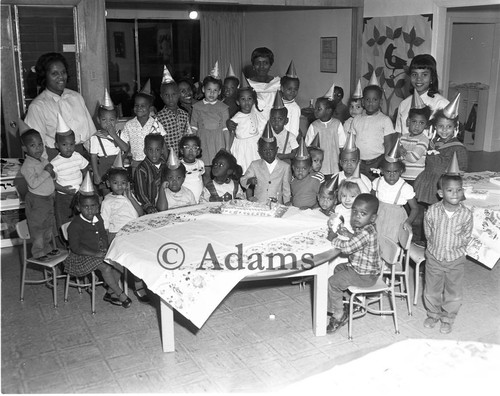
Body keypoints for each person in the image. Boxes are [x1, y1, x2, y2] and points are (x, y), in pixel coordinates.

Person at [423, 173, 472, 334]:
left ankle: (448, 318)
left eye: (458, 190)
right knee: (431, 289)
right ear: (441, 193)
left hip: (455, 259)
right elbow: (428, 231)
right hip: (434, 257)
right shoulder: (432, 210)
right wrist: (434, 247)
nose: (455, 194)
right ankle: (433, 314)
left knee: (454, 291)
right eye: (450, 190)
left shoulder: (466, 214)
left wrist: (456, 246)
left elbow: (466, 235)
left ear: (462, 191)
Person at [64, 191, 132, 308]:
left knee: (119, 263)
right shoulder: (75, 225)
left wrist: (106, 247)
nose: (90, 210)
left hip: (99, 251)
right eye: (86, 207)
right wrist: (96, 253)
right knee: (106, 268)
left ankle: (110, 292)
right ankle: (120, 294)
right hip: (82, 255)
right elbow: (75, 248)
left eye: (93, 206)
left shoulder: (98, 218)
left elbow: (103, 234)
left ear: (98, 206)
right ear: (78, 208)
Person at [326, 194, 382, 333]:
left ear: (373, 218)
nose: (357, 216)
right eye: (355, 211)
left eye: (363, 213)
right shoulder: (365, 228)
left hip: (365, 275)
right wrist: (348, 234)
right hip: (362, 270)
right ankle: (349, 301)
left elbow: (348, 248)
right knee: (339, 268)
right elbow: (358, 241)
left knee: (332, 282)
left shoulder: (365, 232)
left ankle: (338, 314)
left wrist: (333, 238)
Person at [25, 52, 97, 160]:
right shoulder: (38, 107)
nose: (61, 77)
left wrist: (95, 156)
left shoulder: (76, 97)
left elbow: (90, 133)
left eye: (63, 72)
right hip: (55, 159)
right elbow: (36, 146)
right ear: (44, 76)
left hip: (82, 157)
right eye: (54, 73)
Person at [414, 108, 468, 207]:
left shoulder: (458, 147)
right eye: (441, 126)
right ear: (435, 127)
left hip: (444, 183)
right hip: (427, 181)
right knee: (429, 207)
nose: (444, 130)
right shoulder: (433, 142)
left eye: (449, 126)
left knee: (442, 207)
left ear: (455, 128)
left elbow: (462, 169)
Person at [20, 129, 57, 259]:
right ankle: (38, 252)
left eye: (40, 144)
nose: (38, 148)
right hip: (36, 201)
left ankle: (46, 249)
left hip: (48, 199)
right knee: (38, 228)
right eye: (32, 145)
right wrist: (47, 172)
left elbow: (52, 174)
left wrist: (52, 174)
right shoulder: (27, 166)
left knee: (48, 225)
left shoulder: (42, 159)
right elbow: (34, 183)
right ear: (24, 148)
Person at [395, 54, 449, 136]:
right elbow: (398, 134)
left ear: (432, 78)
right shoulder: (404, 104)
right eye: (414, 74)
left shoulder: (442, 104)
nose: (418, 79)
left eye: (424, 74)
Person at [50, 117, 89, 230]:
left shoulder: (77, 156)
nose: (69, 148)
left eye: (71, 144)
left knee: (80, 219)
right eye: (64, 145)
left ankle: (79, 240)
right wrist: (64, 190)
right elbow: (51, 182)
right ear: (57, 145)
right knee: (65, 220)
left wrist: (84, 186)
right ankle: (66, 243)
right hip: (63, 196)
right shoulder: (55, 163)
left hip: (79, 194)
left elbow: (85, 170)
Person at [352, 85, 395, 180]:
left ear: (380, 102)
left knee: (375, 187)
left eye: (375, 99)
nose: (371, 102)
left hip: (377, 161)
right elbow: (352, 141)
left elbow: (388, 143)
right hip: (359, 161)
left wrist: (386, 161)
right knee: (360, 186)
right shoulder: (356, 119)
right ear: (362, 102)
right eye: (367, 99)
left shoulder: (385, 120)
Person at [372, 157, 418, 244]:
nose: (392, 175)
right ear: (382, 171)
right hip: (378, 217)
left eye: (395, 171)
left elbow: (415, 208)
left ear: (401, 171)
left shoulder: (405, 187)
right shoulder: (377, 182)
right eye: (388, 171)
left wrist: (408, 222)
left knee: (390, 244)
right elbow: (371, 200)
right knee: (375, 240)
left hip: (395, 220)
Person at [191, 73, 230, 174]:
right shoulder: (197, 107)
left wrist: (227, 147)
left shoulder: (223, 107)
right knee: (204, 168)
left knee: (219, 167)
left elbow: (226, 129)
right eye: (209, 89)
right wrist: (193, 146)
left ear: (220, 91)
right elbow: (193, 127)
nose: (212, 93)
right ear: (203, 89)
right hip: (202, 139)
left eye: (215, 90)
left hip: (218, 140)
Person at [89, 97, 128, 195]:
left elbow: (126, 149)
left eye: (111, 120)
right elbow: (93, 157)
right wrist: (96, 175)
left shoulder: (120, 134)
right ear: (98, 120)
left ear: (117, 120)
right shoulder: (95, 138)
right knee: (107, 194)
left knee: (121, 193)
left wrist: (113, 135)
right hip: (104, 168)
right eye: (104, 120)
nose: (108, 123)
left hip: (119, 167)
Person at [240, 130, 291, 205]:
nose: (268, 153)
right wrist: (249, 180)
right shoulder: (255, 165)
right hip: (258, 203)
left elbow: (286, 188)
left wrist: (287, 202)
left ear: (276, 150)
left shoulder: (285, 167)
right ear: (259, 152)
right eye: (264, 150)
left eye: (271, 150)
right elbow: (243, 179)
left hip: (276, 204)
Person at [120, 92, 166, 173]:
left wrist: (166, 162)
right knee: (138, 184)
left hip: (154, 162)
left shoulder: (156, 124)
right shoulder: (129, 125)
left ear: (150, 108)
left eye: (143, 105)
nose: (139, 108)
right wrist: (121, 161)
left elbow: (163, 144)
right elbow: (125, 147)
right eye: (136, 105)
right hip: (136, 163)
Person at [305, 96, 346, 177]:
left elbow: (342, 145)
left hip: (335, 163)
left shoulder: (337, 124)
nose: (315, 111)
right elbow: (308, 146)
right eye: (315, 108)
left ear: (328, 110)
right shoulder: (314, 126)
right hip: (319, 165)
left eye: (319, 109)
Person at [100, 168, 143, 243]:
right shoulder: (107, 201)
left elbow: (140, 213)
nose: (119, 186)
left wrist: (131, 198)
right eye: (115, 183)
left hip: (134, 229)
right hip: (117, 232)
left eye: (123, 183)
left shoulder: (130, 195)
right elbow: (105, 222)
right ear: (108, 183)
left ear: (127, 184)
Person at [246, 47, 281, 131]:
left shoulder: (278, 83)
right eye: (258, 63)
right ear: (253, 65)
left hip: (275, 127)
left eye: (265, 63)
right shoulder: (246, 84)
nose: (261, 66)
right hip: (252, 128)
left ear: (270, 65)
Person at [230, 84, 262, 173]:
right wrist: (228, 148)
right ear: (238, 102)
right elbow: (232, 133)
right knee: (245, 166)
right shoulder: (236, 118)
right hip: (243, 147)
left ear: (254, 101)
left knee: (256, 165)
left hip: (254, 144)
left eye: (249, 99)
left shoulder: (254, 113)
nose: (246, 102)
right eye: (243, 99)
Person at [156, 78, 191, 156]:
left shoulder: (184, 115)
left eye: (173, 94)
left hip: (183, 157)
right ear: (161, 96)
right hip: (167, 158)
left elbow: (187, 136)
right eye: (166, 95)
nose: (170, 98)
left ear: (178, 94)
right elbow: (159, 142)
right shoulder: (158, 118)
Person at [134, 134, 166, 214]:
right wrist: (148, 206)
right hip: (151, 209)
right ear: (145, 150)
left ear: (162, 150)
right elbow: (140, 192)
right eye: (150, 150)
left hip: (166, 205)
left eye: (157, 150)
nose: (154, 153)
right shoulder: (141, 169)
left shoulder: (166, 166)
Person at [400, 101, 432, 182]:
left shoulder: (424, 140)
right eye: (414, 121)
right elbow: (397, 157)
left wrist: (401, 152)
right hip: (402, 176)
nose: (417, 126)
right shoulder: (402, 138)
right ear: (408, 121)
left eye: (421, 123)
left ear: (426, 125)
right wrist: (400, 153)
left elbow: (413, 158)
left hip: (417, 179)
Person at [290, 145, 320, 209]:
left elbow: (321, 199)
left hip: (311, 213)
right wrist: (291, 202)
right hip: (296, 213)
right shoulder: (293, 181)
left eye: (304, 168)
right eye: (297, 168)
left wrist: (310, 208)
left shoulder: (314, 181)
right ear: (293, 168)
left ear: (309, 169)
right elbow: (296, 196)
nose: (300, 171)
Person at [179, 135, 205, 203]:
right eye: (187, 147)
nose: (191, 150)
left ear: (198, 151)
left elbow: (203, 179)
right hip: (185, 200)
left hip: (199, 198)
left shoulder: (201, 163)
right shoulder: (179, 165)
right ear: (182, 151)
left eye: (194, 147)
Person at [280, 61, 301, 138]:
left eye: (295, 89)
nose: (292, 92)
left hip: (287, 142)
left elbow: (294, 131)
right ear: (282, 88)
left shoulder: (295, 108)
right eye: (289, 89)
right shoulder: (278, 104)